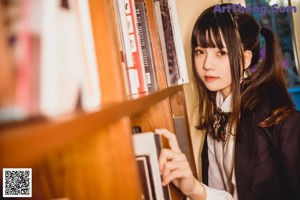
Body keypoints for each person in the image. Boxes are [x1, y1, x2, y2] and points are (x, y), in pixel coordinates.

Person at [156, 3, 300, 200]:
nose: (207, 64)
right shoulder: (217, 114)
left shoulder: (277, 117)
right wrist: (193, 188)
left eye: (221, 53)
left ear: (245, 59)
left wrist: (196, 189)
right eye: (200, 51)